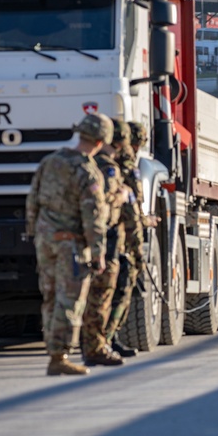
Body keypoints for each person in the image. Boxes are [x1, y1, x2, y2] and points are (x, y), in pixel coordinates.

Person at [25, 113, 111, 376]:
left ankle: (53, 351)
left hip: (45, 241)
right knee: (69, 300)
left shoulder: (50, 162)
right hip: (70, 246)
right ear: (99, 141)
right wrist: (98, 252)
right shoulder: (87, 171)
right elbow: (93, 217)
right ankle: (59, 356)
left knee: (50, 296)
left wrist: (35, 233)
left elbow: (33, 200)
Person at [80, 119, 132, 366]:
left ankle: (101, 343)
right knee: (102, 295)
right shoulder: (106, 166)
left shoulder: (86, 164)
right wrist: (121, 196)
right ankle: (96, 346)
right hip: (105, 236)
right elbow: (103, 202)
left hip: (102, 236)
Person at [106, 120, 147, 355]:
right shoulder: (126, 163)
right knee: (120, 286)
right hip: (117, 235)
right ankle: (107, 339)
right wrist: (138, 251)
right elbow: (132, 208)